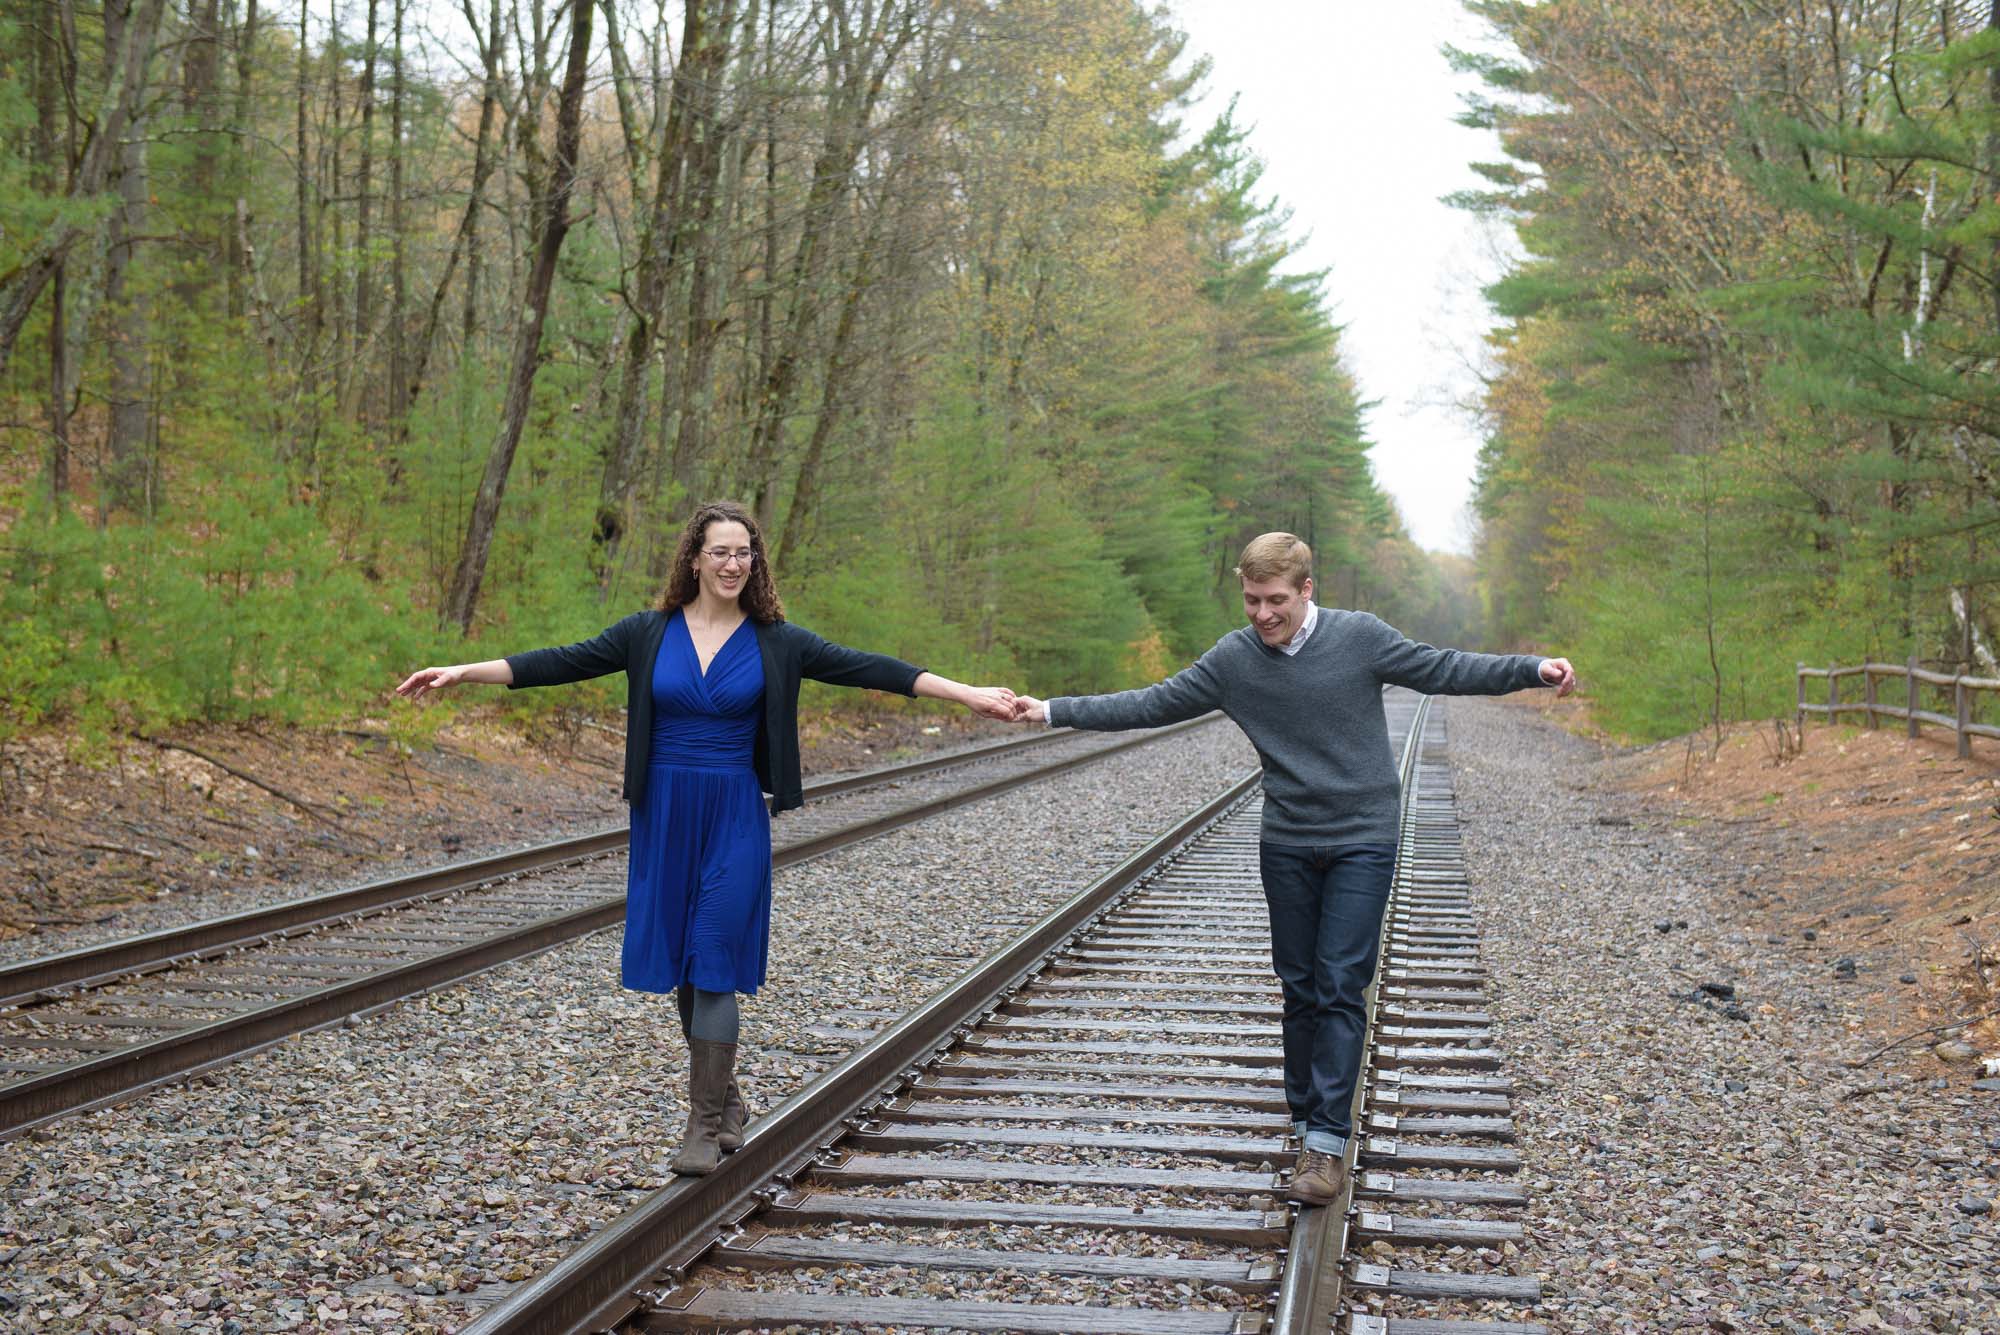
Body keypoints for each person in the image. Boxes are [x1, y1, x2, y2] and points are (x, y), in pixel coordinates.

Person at [396, 500, 1017, 1175]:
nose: (733, 563)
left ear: (756, 562)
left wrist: (966, 692)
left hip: (732, 810)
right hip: (664, 812)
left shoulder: (778, 640)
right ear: (694, 557)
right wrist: (464, 671)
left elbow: (874, 668)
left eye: (744, 552)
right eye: (720, 551)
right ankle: (725, 1099)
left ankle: (701, 1123)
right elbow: (559, 661)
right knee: (683, 963)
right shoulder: (648, 632)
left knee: (715, 948)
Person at [1011, 531, 1574, 1208]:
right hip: (1288, 841)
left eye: (1275, 599)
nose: (1261, 614)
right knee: (1300, 986)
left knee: (1340, 983)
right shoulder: (1234, 659)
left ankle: (1325, 1143)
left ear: (1307, 590)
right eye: (1251, 600)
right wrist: (1049, 710)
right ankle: (1309, 1115)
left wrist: (1532, 668)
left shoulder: (1360, 638)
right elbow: (1152, 703)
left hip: (1363, 836)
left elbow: (1444, 667)